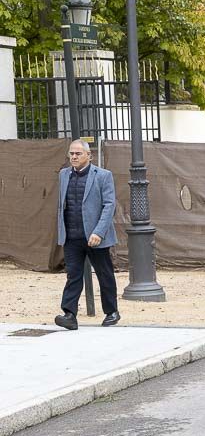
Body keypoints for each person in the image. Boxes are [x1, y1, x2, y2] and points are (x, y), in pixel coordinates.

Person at [54, 139, 119, 330]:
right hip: (72, 236)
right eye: (71, 154)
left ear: (89, 156)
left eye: (78, 154)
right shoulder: (64, 175)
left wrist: (98, 232)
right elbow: (63, 205)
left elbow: (109, 206)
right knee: (73, 275)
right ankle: (69, 314)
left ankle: (112, 312)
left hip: (95, 237)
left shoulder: (103, 176)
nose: (73, 157)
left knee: (104, 274)